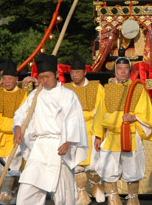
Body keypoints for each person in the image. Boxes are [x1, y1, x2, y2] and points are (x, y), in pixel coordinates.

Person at [13, 54, 89, 205]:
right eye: (41, 77)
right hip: (39, 148)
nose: (45, 80)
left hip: (60, 147)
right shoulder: (35, 95)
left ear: (57, 74)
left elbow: (74, 120)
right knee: (26, 192)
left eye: (48, 76)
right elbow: (20, 114)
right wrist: (17, 129)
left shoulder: (68, 95)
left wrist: (68, 142)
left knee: (64, 196)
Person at [92, 57, 152, 205]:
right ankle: (113, 198)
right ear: (115, 71)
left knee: (133, 169)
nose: (122, 71)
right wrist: (98, 135)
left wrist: (134, 117)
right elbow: (99, 113)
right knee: (109, 169)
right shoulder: (107, 89)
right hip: (111, 135)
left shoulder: (138, 88)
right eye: (119, 69)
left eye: (125, 68)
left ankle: (132, 200)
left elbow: (146, 111)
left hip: (131, 135)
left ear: (129, 70)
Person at [63, 53, 105, 205]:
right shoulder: (65, 88)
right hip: (73, 131)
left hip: (92, 129)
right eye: (72, 72)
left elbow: (102, 111)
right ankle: (81, 194)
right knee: (77, 165)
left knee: (93, 165)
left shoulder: (96, 87)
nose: (74, 75)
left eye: (77, 72)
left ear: (85, 72)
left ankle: (97, 187)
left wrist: (100, 133)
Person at [0, 57, 28, 204]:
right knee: (1, 170)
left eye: (9, 78)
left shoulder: (24, 95)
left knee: (12, 168)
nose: (6, 81)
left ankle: (6, 195)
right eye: (4, 78)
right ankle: (12, 192)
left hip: (16, 138)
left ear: (15, 79)